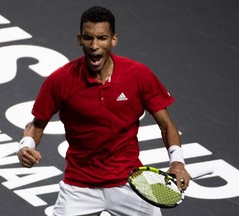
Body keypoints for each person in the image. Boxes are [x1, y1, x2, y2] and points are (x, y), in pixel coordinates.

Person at [17, 6, 190, 216]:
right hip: (79, 188)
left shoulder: (138, 75)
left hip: (131, 184)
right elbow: (36, 125)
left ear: (113, 40)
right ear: (79, 39)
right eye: (88, 38)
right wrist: (26, 145)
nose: (94, 45)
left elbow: (166, 124)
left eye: (101, 38)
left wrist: (177, 161)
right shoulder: (59, 81)